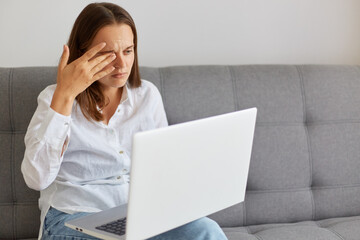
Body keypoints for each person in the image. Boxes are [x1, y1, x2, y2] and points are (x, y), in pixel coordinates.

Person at [21, 2, 228, 240]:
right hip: (72, 217)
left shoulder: (147, 95)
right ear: (83, 54)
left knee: (206, 231)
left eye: (128, 51)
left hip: (136, 217)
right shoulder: (53, 98)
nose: (121, 64)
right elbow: (36, 178)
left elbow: (163, 169)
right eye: (108, 54)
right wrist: (66, 95)